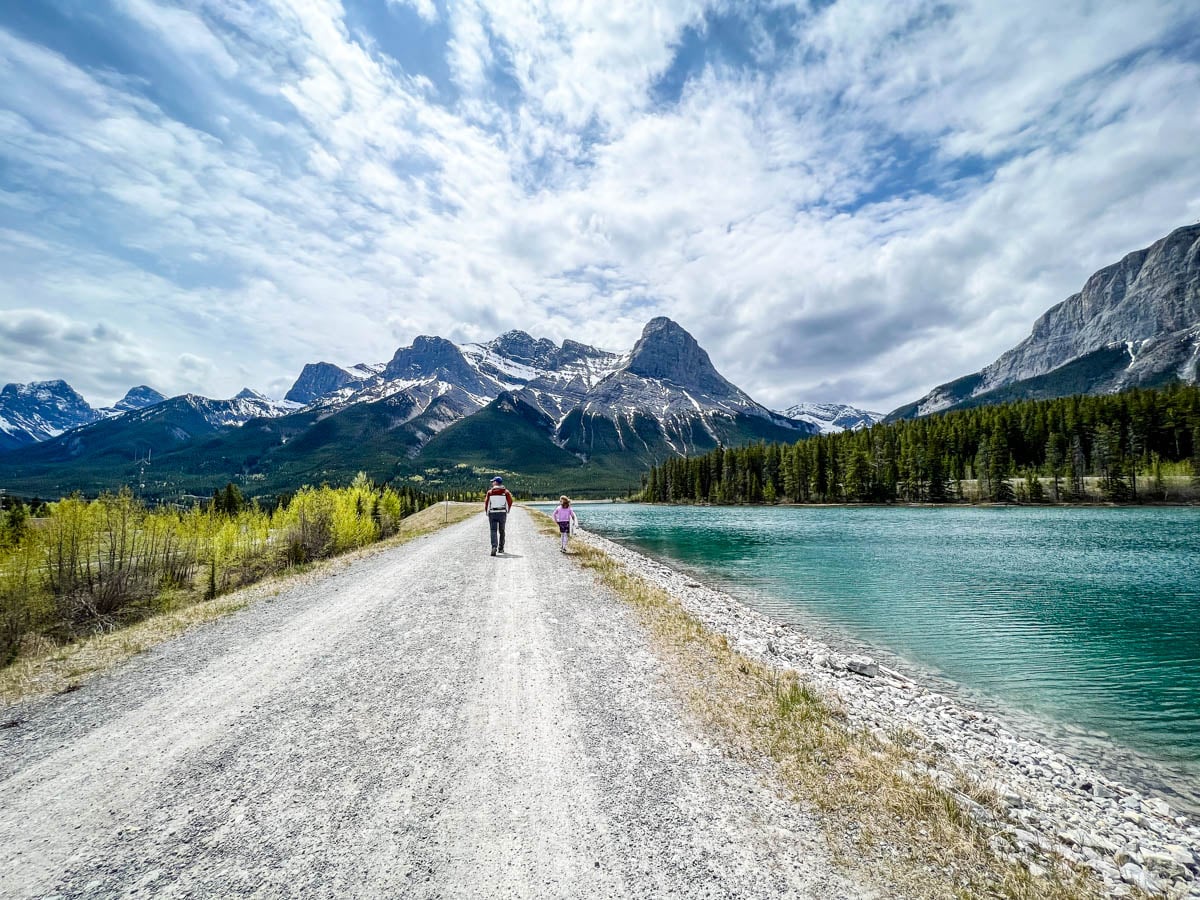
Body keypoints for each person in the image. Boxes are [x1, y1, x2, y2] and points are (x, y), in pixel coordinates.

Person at [483, 476, 513, 556]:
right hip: (502, 513)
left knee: (493, 530)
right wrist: (507, 510)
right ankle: (501, 548)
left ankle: (494, 547)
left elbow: (487, 503)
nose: (492, 483)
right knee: (502, 530)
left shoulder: (490, 492)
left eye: (493, 481)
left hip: (492, 513)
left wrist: (487, 512)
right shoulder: (506, 492)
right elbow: (510, 501)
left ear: (496, 482)